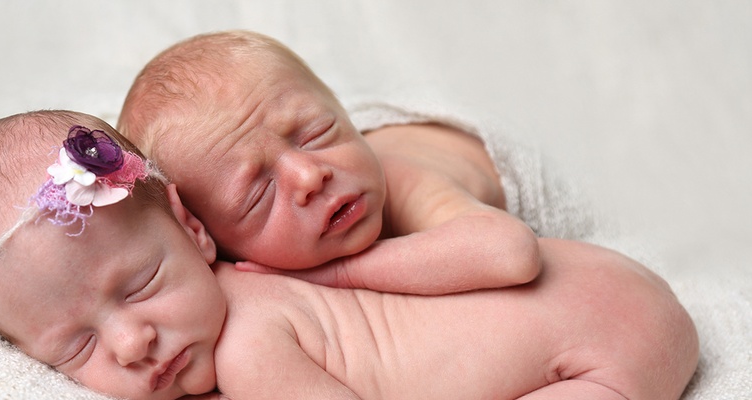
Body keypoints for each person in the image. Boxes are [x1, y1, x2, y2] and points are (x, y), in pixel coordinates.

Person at [0, 110, 699, 400]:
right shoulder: (250, 275)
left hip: (614, 343)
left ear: (196, 233)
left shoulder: (250, 348)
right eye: (78, 347)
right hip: (599, 281)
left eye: (140, 286)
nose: (133, 343)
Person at [118, 30, 542, 295]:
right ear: (211, 241)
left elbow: (510, 253)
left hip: (464, 144)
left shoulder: (407, 183)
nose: (309, 175)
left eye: (316, 134)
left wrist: (339, 274)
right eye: (259, 193)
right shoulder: (228, 270)